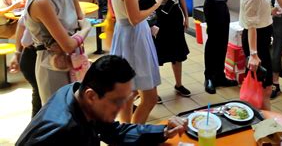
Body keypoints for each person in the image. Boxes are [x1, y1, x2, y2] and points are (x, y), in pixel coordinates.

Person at [16, 55, 188, 146]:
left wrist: (163, 132)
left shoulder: (76, 92)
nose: (122, 108)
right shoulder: (62, 132)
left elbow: (113, 132)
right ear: (91, 96)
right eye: (117, 101)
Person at [109, 0, 166, 124]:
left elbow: (128, 9)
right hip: (134, 37)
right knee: (149, 97)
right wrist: (156, 4)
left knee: (129, 91)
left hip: (123, 33)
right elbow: (135, 18)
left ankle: (126, 130)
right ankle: (135, 132)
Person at [25, 0, 92, 103]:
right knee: (59, 114)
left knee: (80, 110)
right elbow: (68, 44)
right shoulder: (41, 1)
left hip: (75, 59)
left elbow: (79, 23)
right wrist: (86, 29)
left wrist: (80, 32)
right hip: (52, 65)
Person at [146, 0, 191, 97]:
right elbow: (148, 2)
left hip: (175, 16)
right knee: (157, 54)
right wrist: (151, 24)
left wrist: (186, 16)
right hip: (159, 19)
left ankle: (179, 84)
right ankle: (154, 91)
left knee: (177, 52)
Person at [240, 0, 280, 110]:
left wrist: (269, 11)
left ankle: (263, 120)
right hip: (257, 41)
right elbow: (251, 25)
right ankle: (265, 123)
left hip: (260, 39)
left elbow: (255, 13)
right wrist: (254, 54)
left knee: (263, 86)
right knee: (265, 87)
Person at [9, 0, 42, 117]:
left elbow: (22, 26)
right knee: (43, 102)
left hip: (30, 56)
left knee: (40, 99)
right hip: (35, 56)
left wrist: (17, 53)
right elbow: (22, 27)